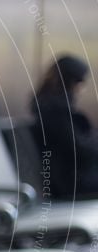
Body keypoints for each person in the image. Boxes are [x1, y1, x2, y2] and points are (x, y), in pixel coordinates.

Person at [30, 54, 98, 199]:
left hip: (68, 177)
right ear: (74, 83)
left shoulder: (49, 107)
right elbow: (80, 150)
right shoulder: (56, 112)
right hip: (69, 182)